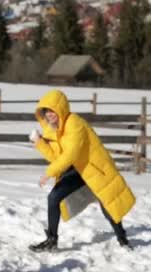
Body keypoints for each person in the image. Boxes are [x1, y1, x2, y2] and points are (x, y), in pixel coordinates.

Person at [29, 89, 135, 252]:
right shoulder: (56, 129)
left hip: (95, 169)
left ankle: (122, 239)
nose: (49, 114)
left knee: (108, 205)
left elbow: (72, 154)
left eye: (52, 110)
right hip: (78, 170)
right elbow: (57, 157)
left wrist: (49, 173)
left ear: (61, 108)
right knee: (54, 197)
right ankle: (52, 240)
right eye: (46, 111)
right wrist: (40, 143)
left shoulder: (74, 123)